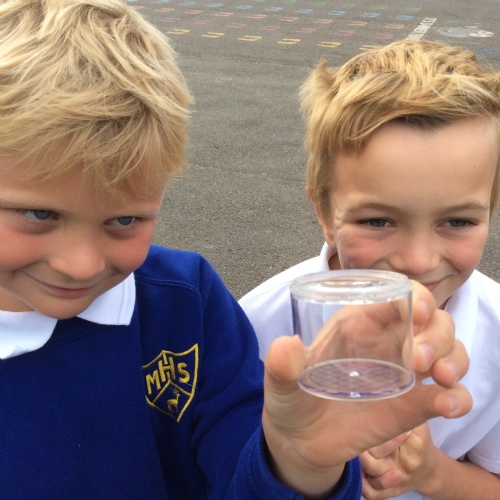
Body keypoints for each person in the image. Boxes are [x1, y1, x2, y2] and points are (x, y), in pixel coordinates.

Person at [0, 3, 471, 498]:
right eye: (39, 214)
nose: (80, 265)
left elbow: (244, 473)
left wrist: (298, 464)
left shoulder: (187, 305)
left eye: (124, 221)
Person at [239, 40, 500, 499]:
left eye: (458, 221)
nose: (417, 261)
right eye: (377, 221)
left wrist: (431, 473)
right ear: (323, 212)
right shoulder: (256, 326)